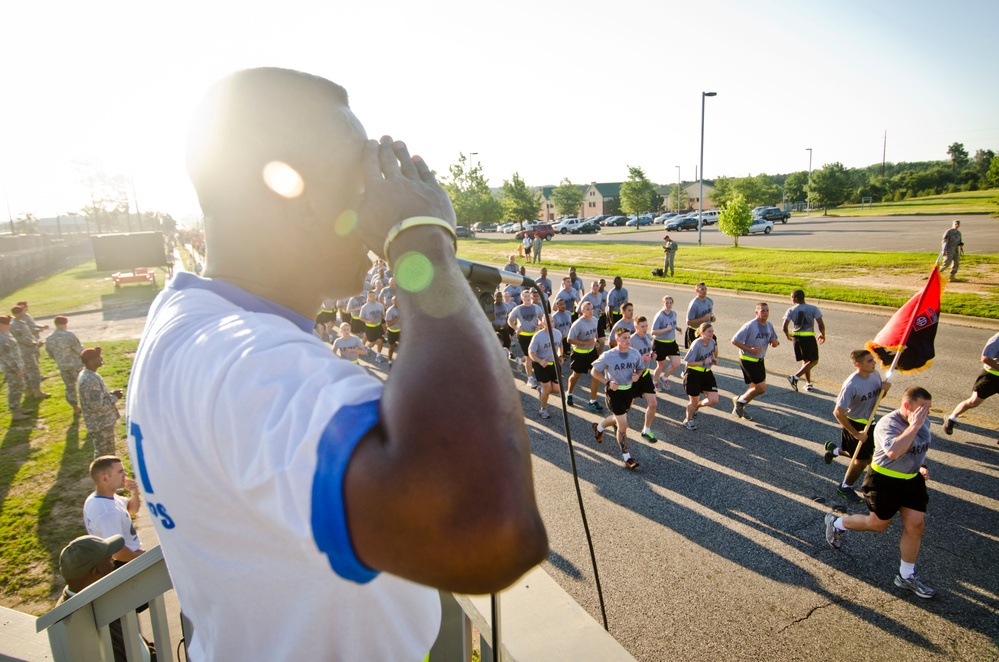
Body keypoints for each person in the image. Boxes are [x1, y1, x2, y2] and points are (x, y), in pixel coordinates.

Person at [124, 68, 546, 660]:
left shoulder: (190, 321)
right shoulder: (241, 361)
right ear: (287, 189)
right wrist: (420, 239)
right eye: (360, 180)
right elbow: (487, 530)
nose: (378, 200)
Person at [824, 386, 936, 599]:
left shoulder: (923, 423)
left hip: (912, 481)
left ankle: (906, 576)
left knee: (916, 524)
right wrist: (914, 426)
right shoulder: (888, 424)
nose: (926, 414)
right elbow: (894, 452)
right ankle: (837, 523)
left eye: (929, 409)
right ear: (906, 406)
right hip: (884, 481)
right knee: (878, 524)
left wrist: (922, 466)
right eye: (922, 408)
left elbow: (919, 447)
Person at [57, 534, 156, 662]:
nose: (114, 563)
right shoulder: (83, 623)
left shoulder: (93, 597)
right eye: (110, 560)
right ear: (97, 572)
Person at [826, 349, 892, 504]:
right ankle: (845, 486)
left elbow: (877, 399)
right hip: (855, 424)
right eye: (869, 361)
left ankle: (835, 450)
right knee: (862, 460)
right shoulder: (851, 385)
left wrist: (884, 391)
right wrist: (856, 434)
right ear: (858, 364)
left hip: (871, 421)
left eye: (873, 360)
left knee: (870, 455)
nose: (874, 363)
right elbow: (838, 412)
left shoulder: (874, 374)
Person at [590, 328, 643, 469]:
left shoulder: (634, 353)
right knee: (623, 425)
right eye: (624, 338)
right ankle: (627, 458)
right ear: (617, 339)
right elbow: (594, 371)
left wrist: (637, 375)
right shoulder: (609, 355)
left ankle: (599, 427)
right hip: (614, 393)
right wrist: (607, 382)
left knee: (618, 418)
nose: (627, 340)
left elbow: (640, 368)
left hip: (629, 392)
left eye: (628, 337)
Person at [83, 455, 145, 563]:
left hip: (132, 555)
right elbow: (118, 553)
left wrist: (134, 493)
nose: (125, 475)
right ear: (105, 478)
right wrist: (144, 559)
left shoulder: (99, 498)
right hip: (128, 562)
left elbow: (131, 510)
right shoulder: (107, 512)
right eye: (120, 471)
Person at [943, 331, 999, 435]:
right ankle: (952, 418)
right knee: (974, 402)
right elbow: (985, 358)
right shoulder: (997, 339)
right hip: (991, 376)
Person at [730, 303, 780, 421]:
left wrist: (775, 343)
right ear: (756, 313)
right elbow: (734, 341)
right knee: (761, 388)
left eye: (767, 310)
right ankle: (739, 402)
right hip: (748, 359)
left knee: (754, 387)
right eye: (762, 311)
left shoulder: (769, 325)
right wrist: (750, 350)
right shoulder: (750, 326)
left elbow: (776, 341)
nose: (765, 313)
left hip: (760, 360)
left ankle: (739, 408)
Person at [78, 347, 122, 458]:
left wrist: (110, 394)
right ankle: (103, 474)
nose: (101, 358)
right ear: (90, 361)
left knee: (107, 454)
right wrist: (115, 397)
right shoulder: (90, 380)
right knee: (104, 455)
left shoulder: (89, 375)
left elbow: (96, 398)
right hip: (100, 424)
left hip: (101, 423)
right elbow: (97, 406)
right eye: (97, 357)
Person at [782, 289, 825, 392]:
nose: (791, 299)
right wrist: (822, 334)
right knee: (814, 360)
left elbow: (784, 326)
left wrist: (787, 335)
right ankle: (795, 377)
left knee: (806, 361)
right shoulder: (813, 308)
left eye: (792, 297)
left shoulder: (791, 310)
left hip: (797, 338)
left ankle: (808, 383)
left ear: (796, 298)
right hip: (808, 337)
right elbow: (820, 324)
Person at [681, 322, 720, 430]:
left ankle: (696, 407)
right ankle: (687, 420)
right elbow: (688, 362)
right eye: (709, 331)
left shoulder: (712, 342)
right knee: (693, 400)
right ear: (702, 333)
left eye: (712, 331)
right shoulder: (697, 344)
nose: (712, 333)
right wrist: (703, 362)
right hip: (694, 373)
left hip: (706, 373)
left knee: (714, 400)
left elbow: (710, 355)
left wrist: (713, 360)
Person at [566, 301, 602, 412]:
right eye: (587, 309)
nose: (591, 311)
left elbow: (595, 332)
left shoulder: (595, 320)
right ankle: (570, 393)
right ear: (582, 311)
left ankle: (592, 401)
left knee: (596, 375)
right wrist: (586, 343)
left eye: (591, 308)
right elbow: (569, 339)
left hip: (591, 352)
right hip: (579, 354)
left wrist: (595, 341)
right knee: (576, 375)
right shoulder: (578, 324)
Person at [45, 315, 85, 413]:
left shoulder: (49, 338)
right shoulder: (69, 335)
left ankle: (75, 407)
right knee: (83, 385)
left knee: (69, 386)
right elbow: (79, 349)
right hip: (75, 365)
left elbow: (50, 354)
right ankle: (87, 404)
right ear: (65, 324)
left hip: (62, 366)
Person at [629, 316, 659, 443]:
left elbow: (649, 352)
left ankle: (646, 430)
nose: (645, 328)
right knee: (628, 405)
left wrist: (652, 355)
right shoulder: (631, 340)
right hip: (633, 375)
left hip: (645, 375)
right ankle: (616, 421)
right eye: (642, 326)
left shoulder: (648, 337)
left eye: (646, 326)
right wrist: (641, 359)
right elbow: (627, 360)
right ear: (636, 327)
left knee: (653, 403)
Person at [508, 289, 546, 388]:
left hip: (535, 335)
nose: (527, 298)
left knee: (534, 355)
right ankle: (529, 379)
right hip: (523, 336)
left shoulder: (537, 308)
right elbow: (509, 319)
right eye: (525, 296)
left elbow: (543, 319)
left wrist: (539, 325)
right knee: (529, 357)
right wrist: (516, 328)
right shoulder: (518, 309)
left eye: (529, 296)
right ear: (522, 298)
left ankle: (520, 361)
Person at [528, 315, 563, 419]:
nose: (551, 323)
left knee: (557, 389)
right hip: (541, 365)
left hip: (554, 364)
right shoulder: (538, 336)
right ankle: (543, 409)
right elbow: (531, 352)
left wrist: (560, 355)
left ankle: (541, 390)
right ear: (543, 324)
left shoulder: (558, 333)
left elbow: (560, 346)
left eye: (552, 321)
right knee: (547, 388)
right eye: (548, 321)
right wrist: (539, 360)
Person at [10, 305, 48, 399]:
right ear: (18, 313)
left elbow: (29, 334)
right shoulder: (15, 325)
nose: (24, 313)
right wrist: (36, 343)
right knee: (33, 371)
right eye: (22, 311)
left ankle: (30, 392)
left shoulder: (20, 322)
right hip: (26, 352)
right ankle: (37, 392)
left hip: (27, 350)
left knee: (27, 372)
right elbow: (23, 339)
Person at [0, 315, 29, 421]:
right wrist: (17, 369)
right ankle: (15, 412)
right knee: (14, 389)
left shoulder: (5, 334)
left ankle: (18, 408)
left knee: (19, 388)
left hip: (16, 366)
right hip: (11, 368)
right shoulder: (1, 338)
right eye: (6, 324)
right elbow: (7, 357)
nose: (8, 325)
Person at [651, 295, 681, 391]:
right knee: (661, 365)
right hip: (660, 343)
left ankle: (664, 377)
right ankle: (654, 382)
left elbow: (672, 323)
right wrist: (666, 329)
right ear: (663, 304)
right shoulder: (660, 315)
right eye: (666, 303)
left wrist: (677, 328)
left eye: (670, 303)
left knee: (676, 364)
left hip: (671, 343)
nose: (668, 305)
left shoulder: (674, 313)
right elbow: (653, 332)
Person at [359, 289, 387, 362]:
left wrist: (386, 319)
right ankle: (368, 347)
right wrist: (368, 321)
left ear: (376, 296)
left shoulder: (380, 305)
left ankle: (378, 355)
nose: (372, 297)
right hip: (369, 327)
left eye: (373, 296)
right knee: (373, 343)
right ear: (368, 297)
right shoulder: (365, 307)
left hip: (378, 326)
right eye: (370, 296)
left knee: (380, 341)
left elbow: (383, 315)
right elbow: (361, 318)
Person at [685, 283, 715, 349]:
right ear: (697, 291)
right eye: (702, 289)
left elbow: (710, 313)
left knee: (712, 351)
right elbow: (689, 322)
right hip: (695, 331)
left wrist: (712, 317)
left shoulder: (709, 301)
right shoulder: (694, 304)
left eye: (705, 289)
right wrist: (703, 319)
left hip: (707, 331)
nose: (704, 291)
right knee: (697, 356)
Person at [384, 296, 401, 364]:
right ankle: (390, 361)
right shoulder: (390, 310)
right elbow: (388, 324)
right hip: (392, 332)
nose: (397, 302)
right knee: (392, 348)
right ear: (392, 301)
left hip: (401, 331)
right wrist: (396, 320)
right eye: (395, 300)